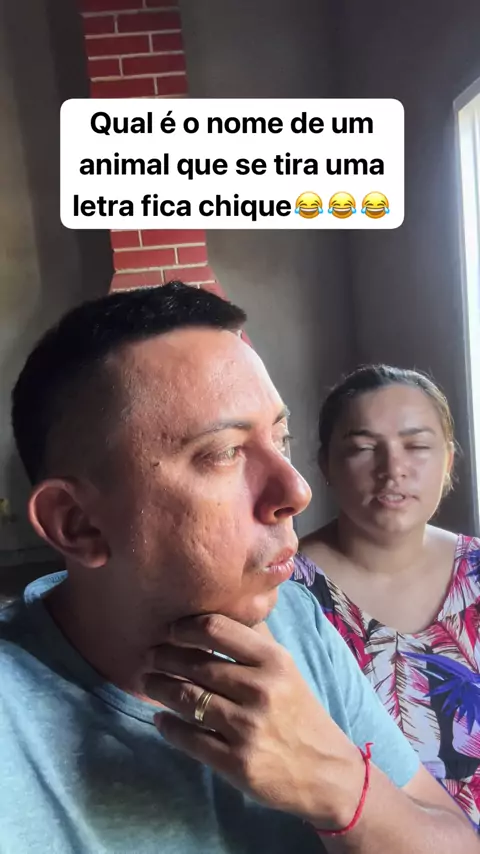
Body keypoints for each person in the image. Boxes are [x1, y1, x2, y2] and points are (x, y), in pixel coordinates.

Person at [1, 285, 476, 854]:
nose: (297, 492)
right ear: (78, 524)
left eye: (281, 438)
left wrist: (344, 790)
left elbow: (457, 839)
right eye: (224, 452)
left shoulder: (294, 621)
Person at [294, 363, 480, 829]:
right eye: (362, 449)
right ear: (326, 466)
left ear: (449, 460)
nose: (393, 469)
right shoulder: (284, 593)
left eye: (416, 446)